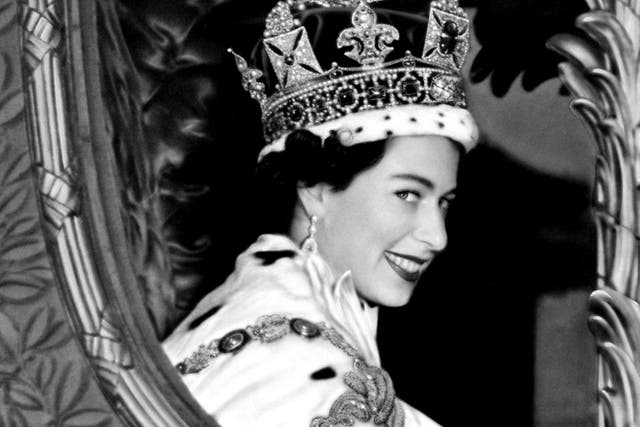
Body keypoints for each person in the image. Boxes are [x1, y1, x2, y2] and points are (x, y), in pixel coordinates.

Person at [163, 0, 478, 425]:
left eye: (443, 202)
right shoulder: (298, 367)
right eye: (407, 194)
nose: (437, 237)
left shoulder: (268, 307)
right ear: (315, 188)